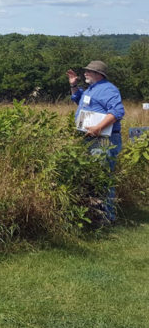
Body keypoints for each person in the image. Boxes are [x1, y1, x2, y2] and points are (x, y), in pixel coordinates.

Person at [67, 60, 125, 223]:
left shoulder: (108, 89)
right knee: (93, 175)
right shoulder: (92, 89)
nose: (85, 73)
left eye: (89, 71)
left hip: (104, 139)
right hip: (92, 138)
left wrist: (98, 127)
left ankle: (107, 216)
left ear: (99, 74)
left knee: (103, 176)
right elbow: (80, 101)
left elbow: (118, 111)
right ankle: (95, 213)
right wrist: (73, 85)